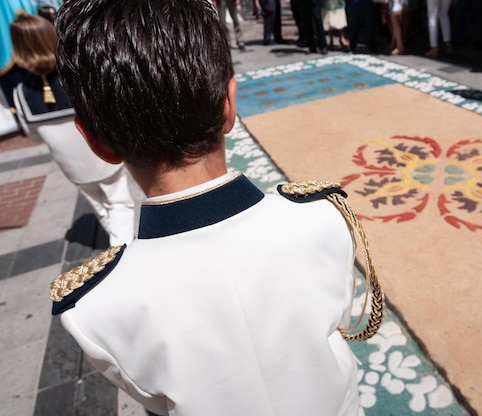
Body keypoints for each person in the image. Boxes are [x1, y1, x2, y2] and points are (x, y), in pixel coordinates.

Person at [50, 0, 361, 415]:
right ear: (229, 106)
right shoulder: (322, 217)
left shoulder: (94, 308)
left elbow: (155, 402)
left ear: (95, 143)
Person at [10, 12, 137, 246]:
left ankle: (116, 244)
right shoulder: (79, 75)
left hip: (71, 166)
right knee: (118, 203)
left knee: (100, 206)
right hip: (101, 155)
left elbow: (34, 135)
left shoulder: (20, 93)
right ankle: (122, 251)